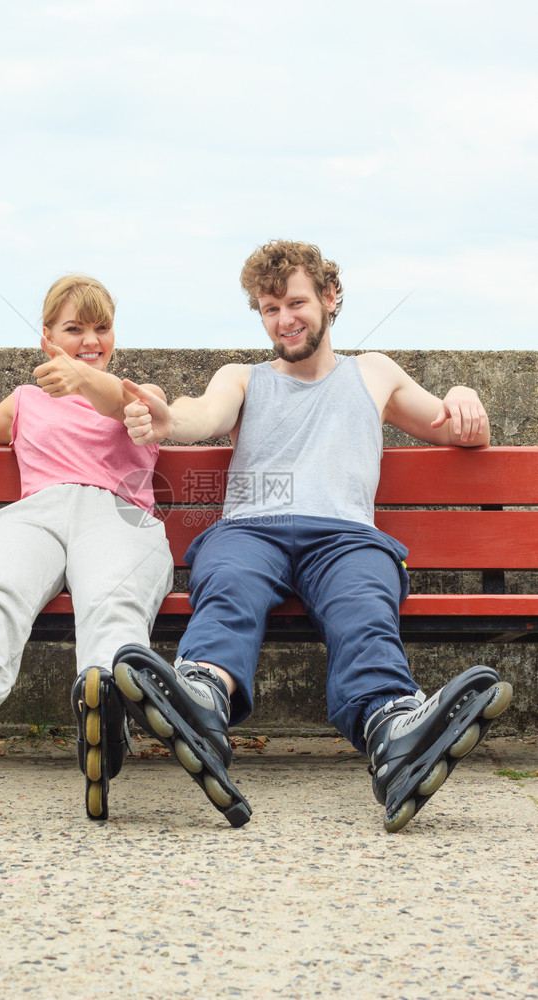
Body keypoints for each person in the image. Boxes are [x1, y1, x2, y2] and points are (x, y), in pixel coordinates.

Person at [113, 239, 513, 832]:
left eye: (296, 303)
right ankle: (201, 697)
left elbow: (456, 432)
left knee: (364, 605)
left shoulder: (372, 372)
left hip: (345, 538)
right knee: (227, 584)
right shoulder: (243, 377)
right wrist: (170, 419)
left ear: (329, 297)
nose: (285, 320)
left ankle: (392, 728)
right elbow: (203, 414)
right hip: (252, 529)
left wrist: (462, 397)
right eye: (270, 309)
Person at [0, 275, 173, 821]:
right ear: (47, 337)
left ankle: (107, 704)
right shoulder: (26, 399)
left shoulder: (140, 395)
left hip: (115, 513)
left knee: (113, 599)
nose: (91, 339)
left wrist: (82, 378)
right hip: (40, 511)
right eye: (74, 329)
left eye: (102, 327)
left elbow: (141, 417)